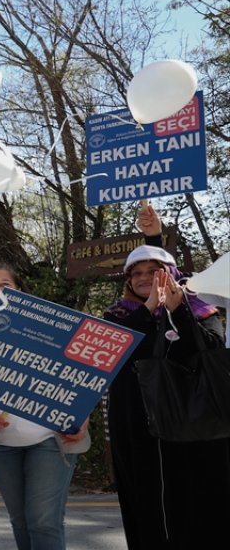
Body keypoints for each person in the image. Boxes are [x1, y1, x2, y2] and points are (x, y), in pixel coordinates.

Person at [103, 202, 230, 549]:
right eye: (137, 273)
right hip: (137, 426)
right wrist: (147, 312)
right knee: (146, 505)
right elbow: (115, 352)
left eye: (153, 270)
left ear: (172, 274)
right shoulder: (116, 315)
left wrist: (178, 312)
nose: (144, 278)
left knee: (196, 504)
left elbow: (210, 351)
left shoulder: (200, 310)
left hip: (194, 428)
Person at [0, 263, 86, 550]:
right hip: (2, 445)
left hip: (51, 439)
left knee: (43, 521)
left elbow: (82, 377)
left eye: (5, 285)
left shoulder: (51, 329)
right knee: (20, 520)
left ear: (20, 291)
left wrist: (81, 418)